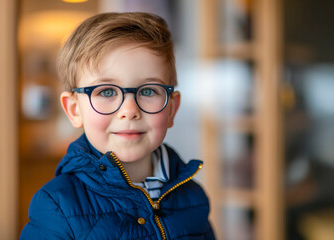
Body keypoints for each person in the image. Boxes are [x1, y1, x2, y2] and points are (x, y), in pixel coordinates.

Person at [20, 12, 215, 239]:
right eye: (106, 92)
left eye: (149, 90)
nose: (130, 110)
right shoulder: (56, 205)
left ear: (171, 109)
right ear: (74, 110)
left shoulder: (193, 197)